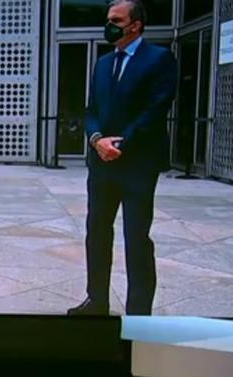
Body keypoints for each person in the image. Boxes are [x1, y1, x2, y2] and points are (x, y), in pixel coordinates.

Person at [67, 0, 177, 316]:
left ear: (135, 25)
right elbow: (91, 110)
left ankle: (138, 313)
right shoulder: (103, 64)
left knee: (136, 238)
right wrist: (97, 140)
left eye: (116, 20)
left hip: (137, 165)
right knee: (97, 233)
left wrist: (122, 144)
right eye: (108, 19)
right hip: (102, 165)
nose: (109, 25)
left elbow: (155, 109)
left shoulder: (159, 59)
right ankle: (96, 301)